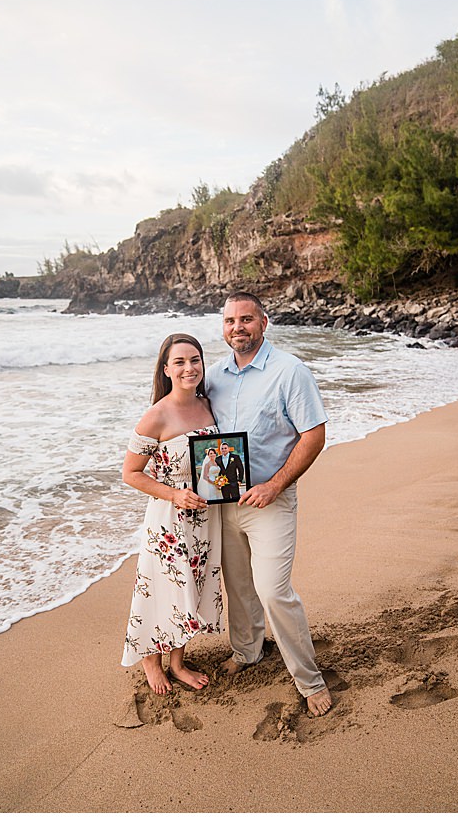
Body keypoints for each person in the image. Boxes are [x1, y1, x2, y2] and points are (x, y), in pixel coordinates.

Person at [205, 291, 334, 717]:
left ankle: (310, 680)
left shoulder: (289, 371)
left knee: (274, 591)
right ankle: (247, 652)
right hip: (224, 501)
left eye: (245, 319)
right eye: (229, 321)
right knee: (239, 587)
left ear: (264, 322)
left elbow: (313, 434)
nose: (236, 327)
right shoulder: (214, 376)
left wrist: (276, 485)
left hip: (270, 500)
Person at [121, 333, 225, 694]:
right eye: (179, 362)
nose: (188, 368)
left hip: (207, 518)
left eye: (194, 359)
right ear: (166, 370)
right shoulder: (156, 416)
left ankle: (178, 662)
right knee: (161, 589)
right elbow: (130, 473)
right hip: (169, 520)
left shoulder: (209, 405)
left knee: (191, 589)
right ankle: (151, 661)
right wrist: (174, 495)